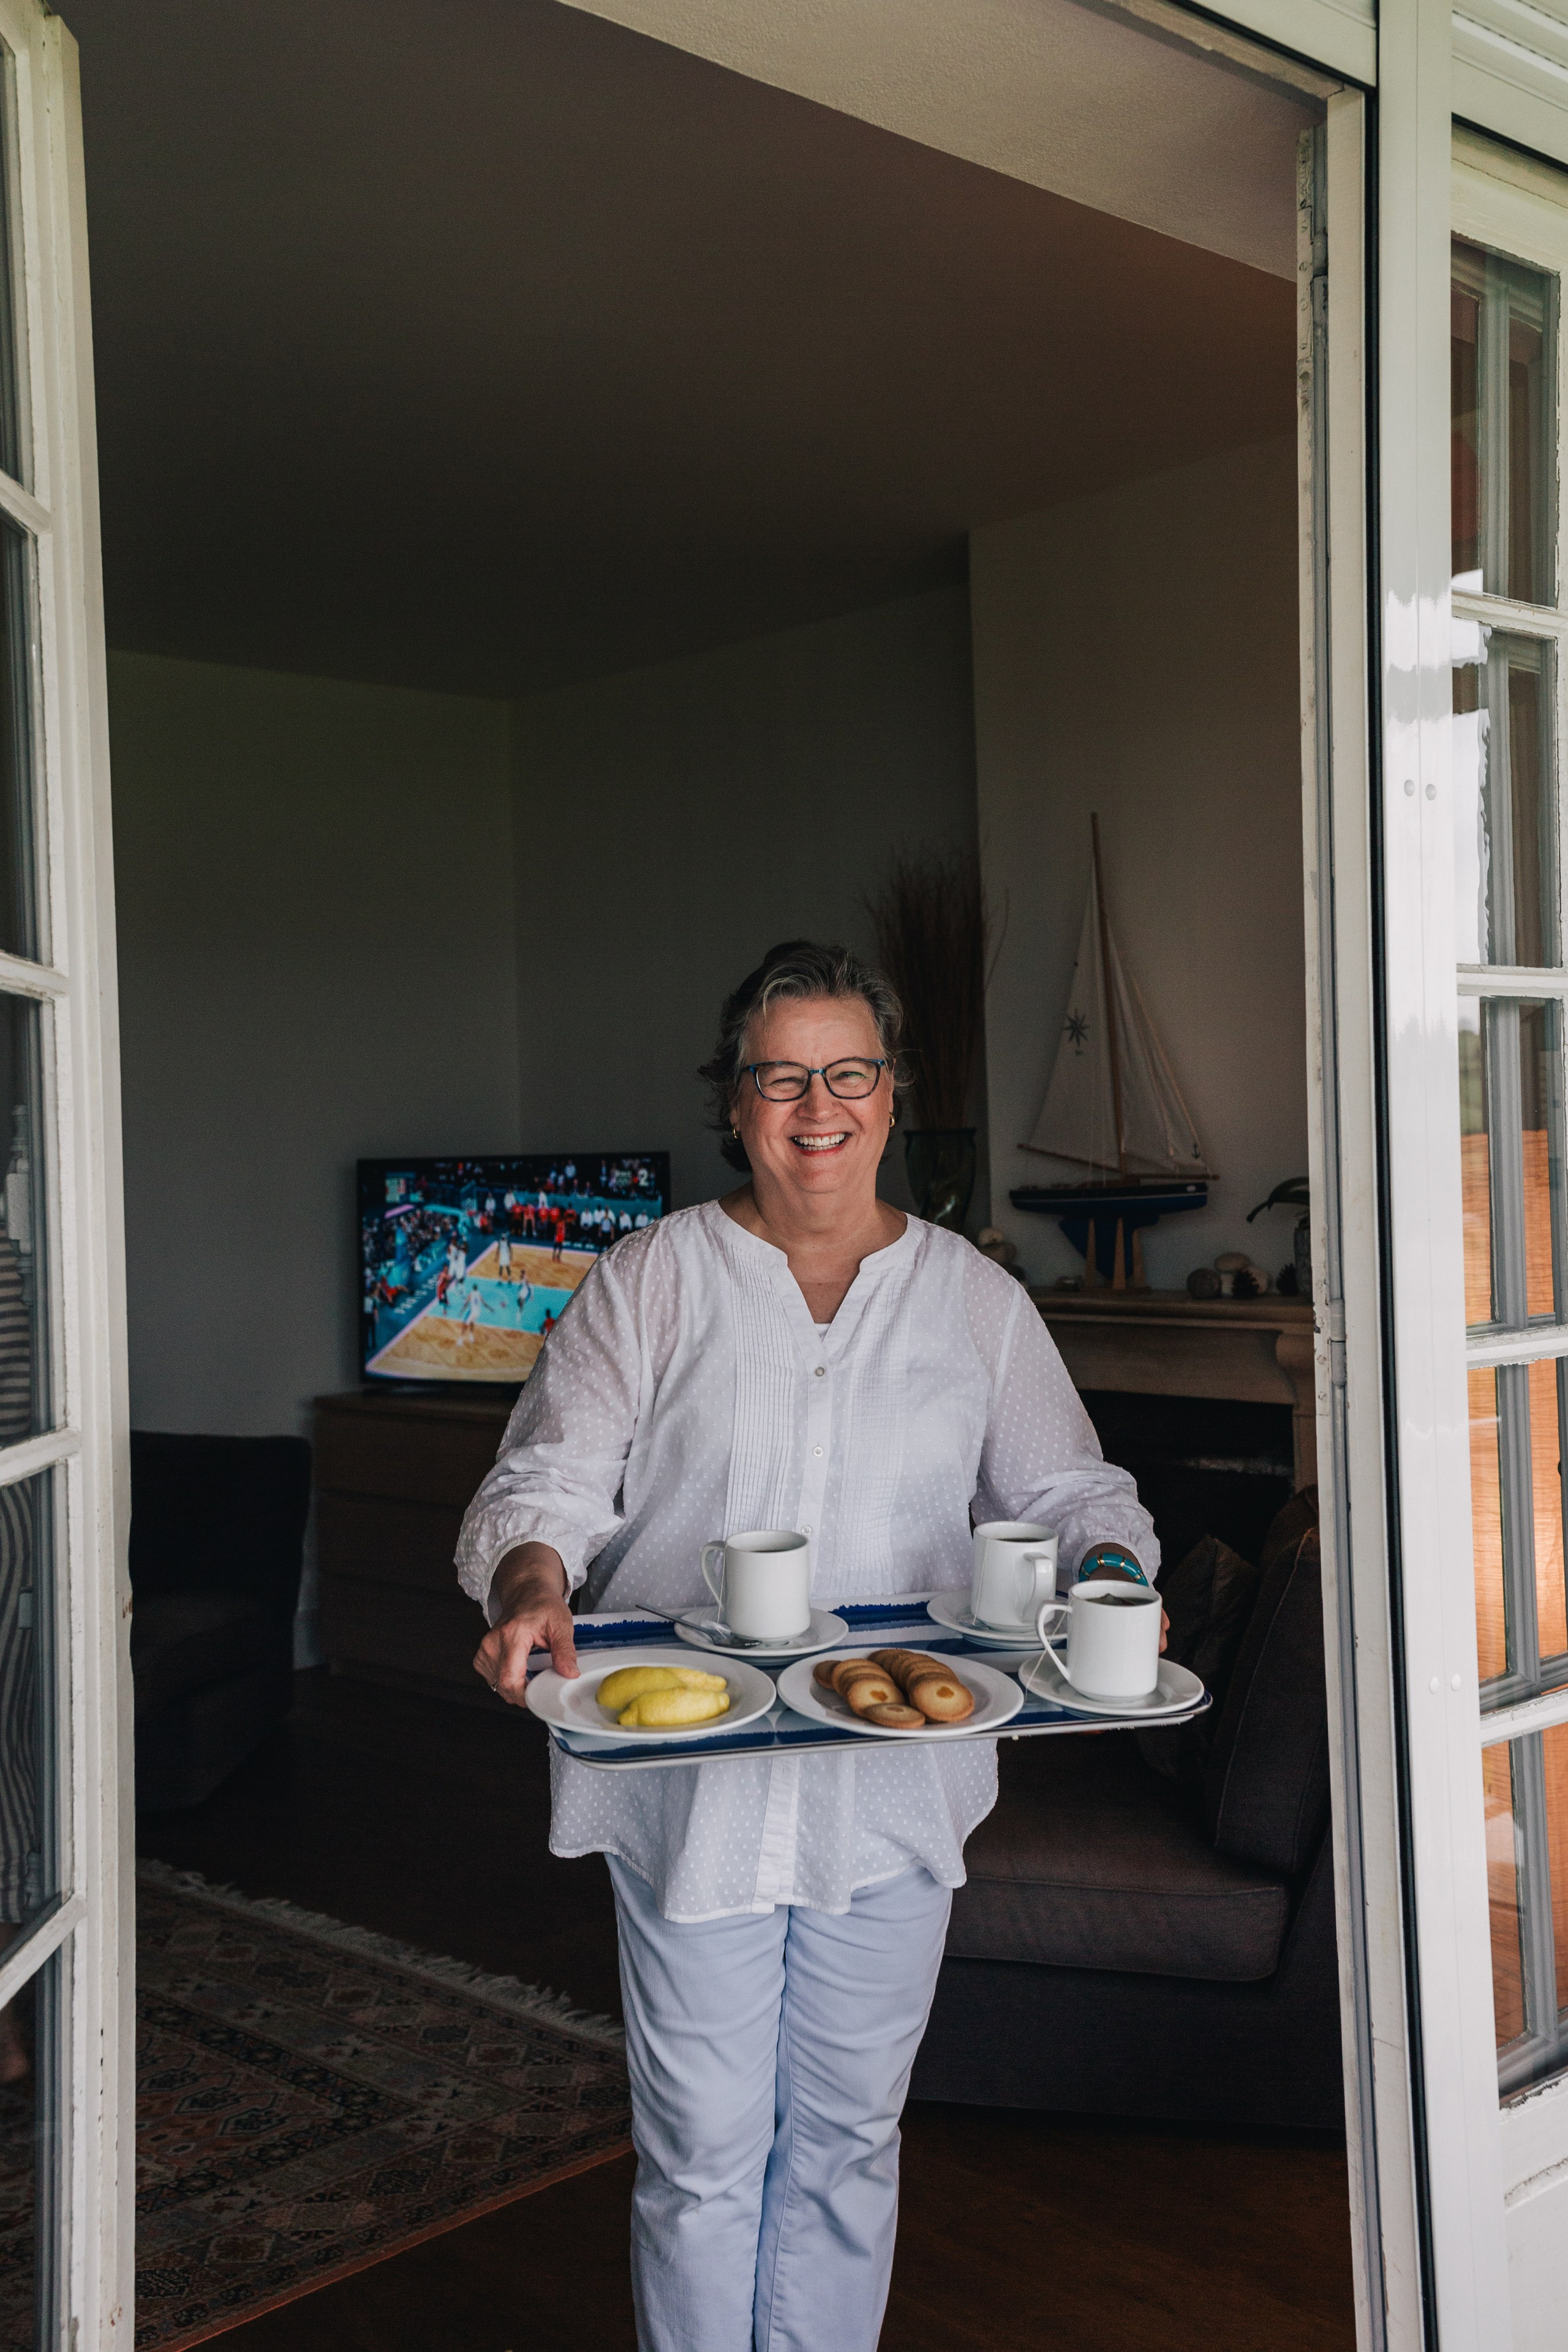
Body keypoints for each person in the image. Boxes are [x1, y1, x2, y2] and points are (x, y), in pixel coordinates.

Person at [458, 940, 1159, 2352]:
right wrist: (531, 1581)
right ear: (733, 1103)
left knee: (846, 2139)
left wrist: (1100, 1573)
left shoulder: (971, 1297)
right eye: (780, 1078)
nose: (815, 1107)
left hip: (896, 1786)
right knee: (703, 2155)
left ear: (891, 1096)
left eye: (846, 1073)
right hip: (691, 1786)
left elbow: (1073, 1495)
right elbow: (542, 1490)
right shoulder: (649, 1279)